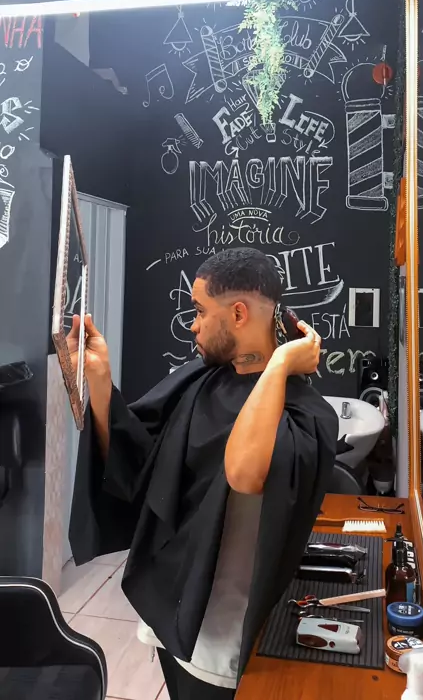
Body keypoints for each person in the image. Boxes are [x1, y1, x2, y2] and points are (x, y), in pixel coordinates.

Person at [68, 247, 338, 700]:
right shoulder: (199, 379)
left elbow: (244, 472)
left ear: (238, 314)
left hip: (221, 638)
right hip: (166, 608)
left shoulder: (304, 415)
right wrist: (99, 377)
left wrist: (279, 364)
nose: (192, 324)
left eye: (199, 310)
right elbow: (136, 456)